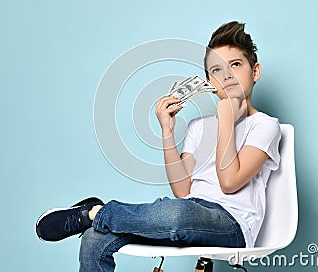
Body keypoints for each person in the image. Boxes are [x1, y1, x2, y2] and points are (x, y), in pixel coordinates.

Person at [36, 21, 281, 272]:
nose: (227, 75)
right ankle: (97, 217)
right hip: (188, 210)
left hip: (232, 225)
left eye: (236, 65)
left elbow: (229, 182)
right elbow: (182, 190)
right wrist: (167, 131)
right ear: (208, 80)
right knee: (94, 239)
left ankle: (92, 212)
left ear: (256, 71)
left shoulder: (265, 126)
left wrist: (227, 119)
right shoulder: (199, 127)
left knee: (176, 216)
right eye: (216, 70)